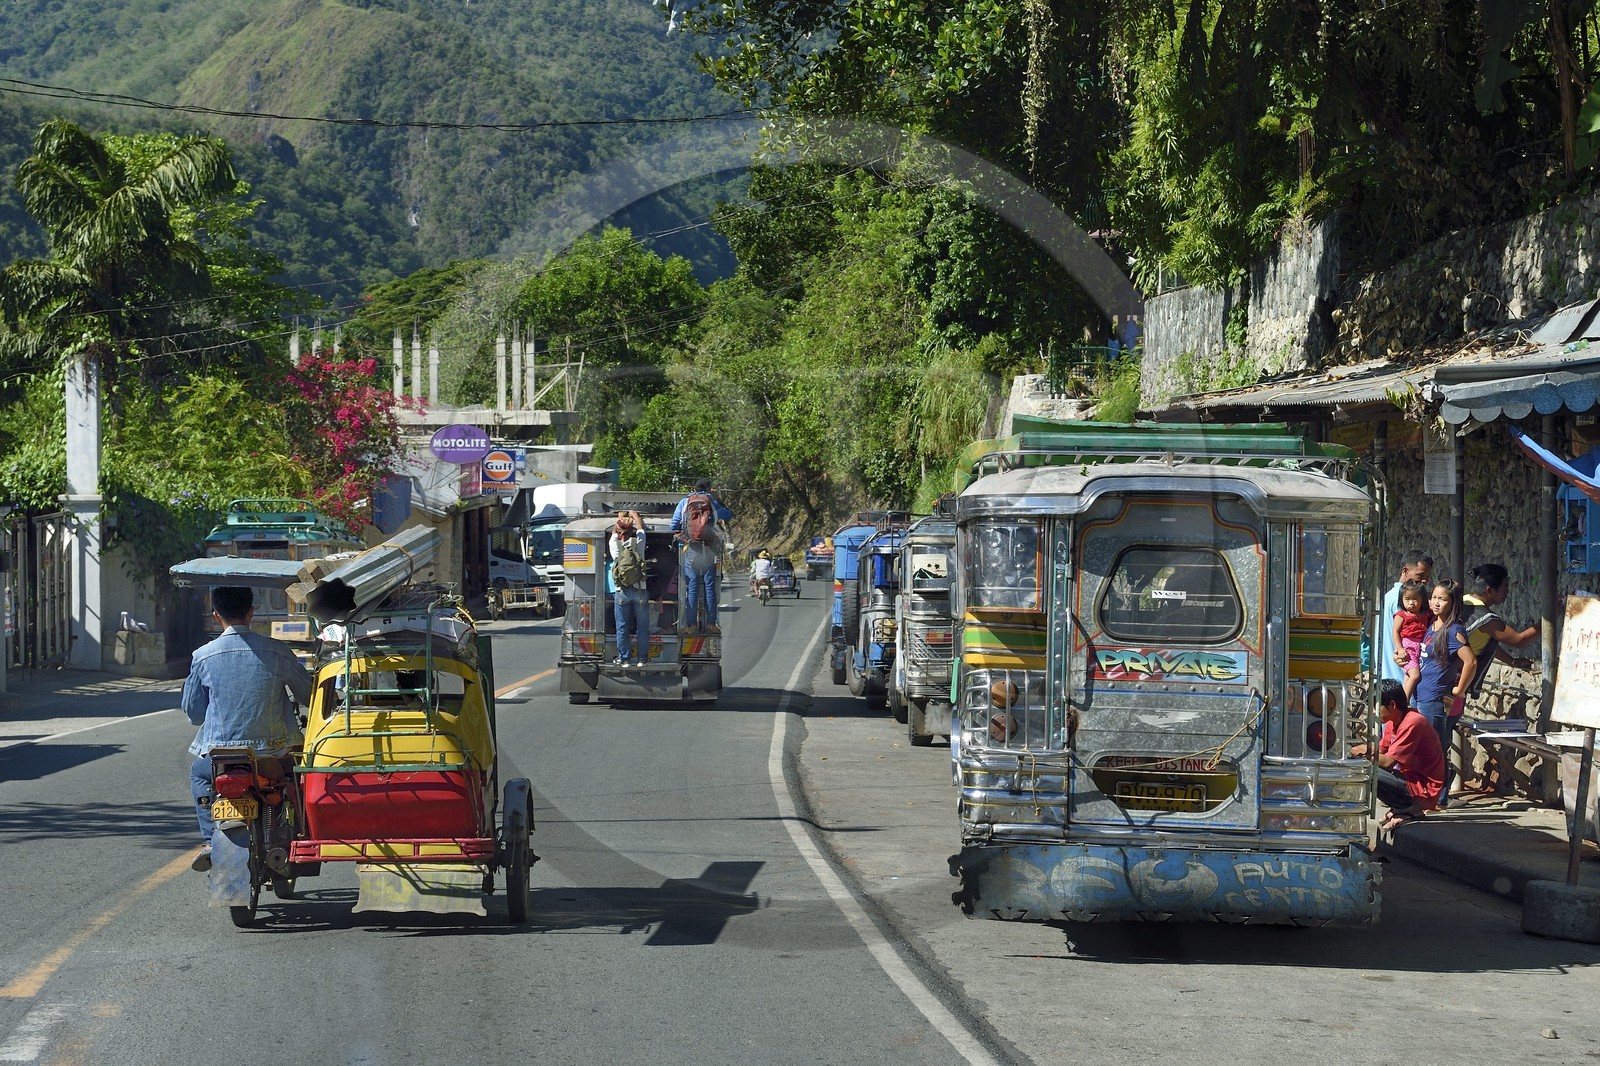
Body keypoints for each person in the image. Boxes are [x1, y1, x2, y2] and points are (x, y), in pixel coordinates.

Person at [183, 585, 313, 872]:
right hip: (275, 755)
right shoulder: (278, 650)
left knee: (198, 773)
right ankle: (301, 833)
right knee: (297, 779)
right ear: (251, 612)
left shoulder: (202, 656)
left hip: (223, 758)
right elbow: (309, 696)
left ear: (216, 615)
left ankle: (209, 840)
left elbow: (193, 713)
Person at [1353, 679, 1446, 830]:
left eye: (1377, 707)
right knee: (1363, 766)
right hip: (1410, 782)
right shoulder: (1393, 722)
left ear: (1392, 705)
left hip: (1424, 791)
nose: (1374, 713)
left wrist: (1363, 751)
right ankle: (1402, 808)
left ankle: (1410, 810)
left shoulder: (1413, 722)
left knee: (1368, 772)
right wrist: (1354, 749)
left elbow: (1387, 761)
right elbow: (1381, 750)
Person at [1414, 577, 1475, 807]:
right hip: (1423, 695)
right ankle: (1429, 797)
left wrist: (1459, 689)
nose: (1436, 602)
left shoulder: (1453, 630)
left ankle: (1438, 800)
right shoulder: (1434, 626)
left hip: (1435, 699)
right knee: (1426, 749)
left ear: (1453, 602)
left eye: (1443, 599)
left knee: (1434, 750)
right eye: (1434, 597)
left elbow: (1470, 661)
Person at [671, 479, 732, 635]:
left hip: (690, 548)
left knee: (692, 587)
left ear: (694, 488)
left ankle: (690, 625)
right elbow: (728, 515)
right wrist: (717, 498)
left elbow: (674, 525)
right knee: (709, 587)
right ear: (710, 489)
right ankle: (711, 624)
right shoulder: (711, 502)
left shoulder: (685, 502)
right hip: (708, 550)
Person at [1378, 549, 1433, 686]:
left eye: (1428, 576)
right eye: (1420, 575)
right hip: (1401, 676)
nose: (1425, 581)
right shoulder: (1405, 600)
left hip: (1386, 674)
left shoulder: (1389, 596)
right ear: (1405, 571)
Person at [609, 510, 650, 668]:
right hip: (640, 590)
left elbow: (614, 532)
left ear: (619, 530)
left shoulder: (614, 545)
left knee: (622, 626)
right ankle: (642, 659)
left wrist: (619, 518)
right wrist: (635, 515)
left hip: (621, 592)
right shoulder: (639, 543)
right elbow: (640, 529)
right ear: (632, 530)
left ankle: (624, 659)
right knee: (642, 626)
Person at [1391, 579, 1433, 700]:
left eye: (1415, 599)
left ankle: (1404, 701)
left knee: (1409, 677)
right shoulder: (1401, 615)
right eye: (1407, 599)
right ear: (1402, 600)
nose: (1411, 603)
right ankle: (1403, 703)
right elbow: (1395, 632)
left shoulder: (1425, 614)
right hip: (1408, 648)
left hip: (1420, 647)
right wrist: (1400, 649)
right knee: (1415, 675)